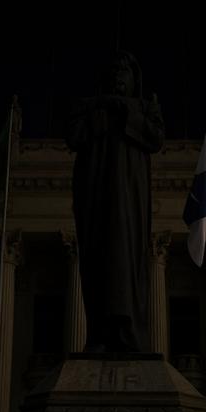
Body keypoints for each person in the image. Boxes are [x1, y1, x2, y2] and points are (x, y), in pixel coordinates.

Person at [66, 51, 165, 352]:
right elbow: (73, 136)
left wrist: (127, 113)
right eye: (113, 71)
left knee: (126, 258)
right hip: (95, 194)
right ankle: (99, 332)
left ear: (136, 79)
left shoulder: (146, 108)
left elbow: (156, 138)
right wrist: (101, 113)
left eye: (125, 71)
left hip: (129, 199)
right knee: (97, 256)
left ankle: (128, 331)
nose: (118, 76)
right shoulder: (88, 107)